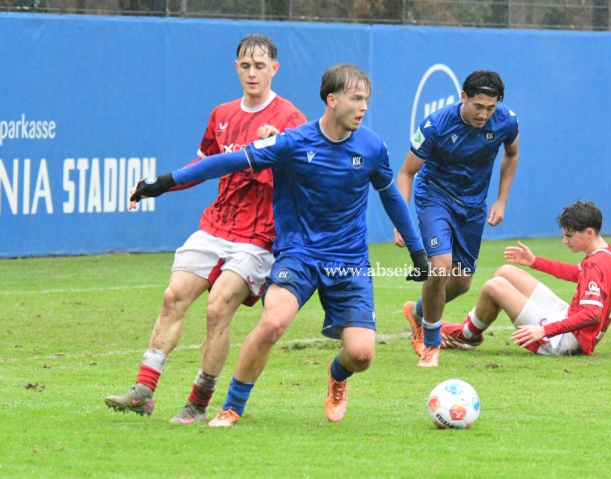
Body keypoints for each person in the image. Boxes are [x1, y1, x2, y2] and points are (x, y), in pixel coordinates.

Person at [128, 63, 428, 426]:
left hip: (348, 260)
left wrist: (416, 251)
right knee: (273, 323)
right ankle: (233, 406)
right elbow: (227, 162)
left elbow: (391, 196)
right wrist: (163, 182)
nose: (363, 107)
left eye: (366, 99)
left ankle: (337, 375)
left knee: (362, 355)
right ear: (331, 100)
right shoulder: (293, 142)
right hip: (298, 253)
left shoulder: (372, 147)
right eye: (356, 98)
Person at [105, 34, 306, 423]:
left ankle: (198, 402)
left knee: (218, 309)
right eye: (245, 66)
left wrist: (279, 146)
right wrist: (156, 187)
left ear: (274, 69)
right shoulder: (222, 114)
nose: (252, 73)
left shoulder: (289, 118)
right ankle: (144, 390)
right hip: (216, 224)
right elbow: (202, 168)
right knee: (173, 296)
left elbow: (304, 170)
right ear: (236, 68)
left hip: (258, 234)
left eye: (260, 66)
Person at [394, 70, 520, 367]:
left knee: (461, 283)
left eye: (490, 108)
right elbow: (406, 173)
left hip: (473, 207)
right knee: (440, 266)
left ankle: (417, 313)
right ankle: (431, 344)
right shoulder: (436, 125)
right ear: (463, 97)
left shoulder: (507, 121)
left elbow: (511, 155)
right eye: (478, 106)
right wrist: (401, 220)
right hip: (434, 199)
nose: (484, 114)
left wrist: (501, 199)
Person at [435, 201, 611, 356]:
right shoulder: (608, 253)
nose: (564, 241)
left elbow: (593, 314)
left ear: (589, 233)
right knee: (505, 272)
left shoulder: (594, 264)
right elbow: (577, 274)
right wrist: (534, 261)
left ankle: (465, 335)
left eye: (569, 236)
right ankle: (470, 332)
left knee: (495, 286)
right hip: (568, 319)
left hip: (566, 342)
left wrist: (545, 330)